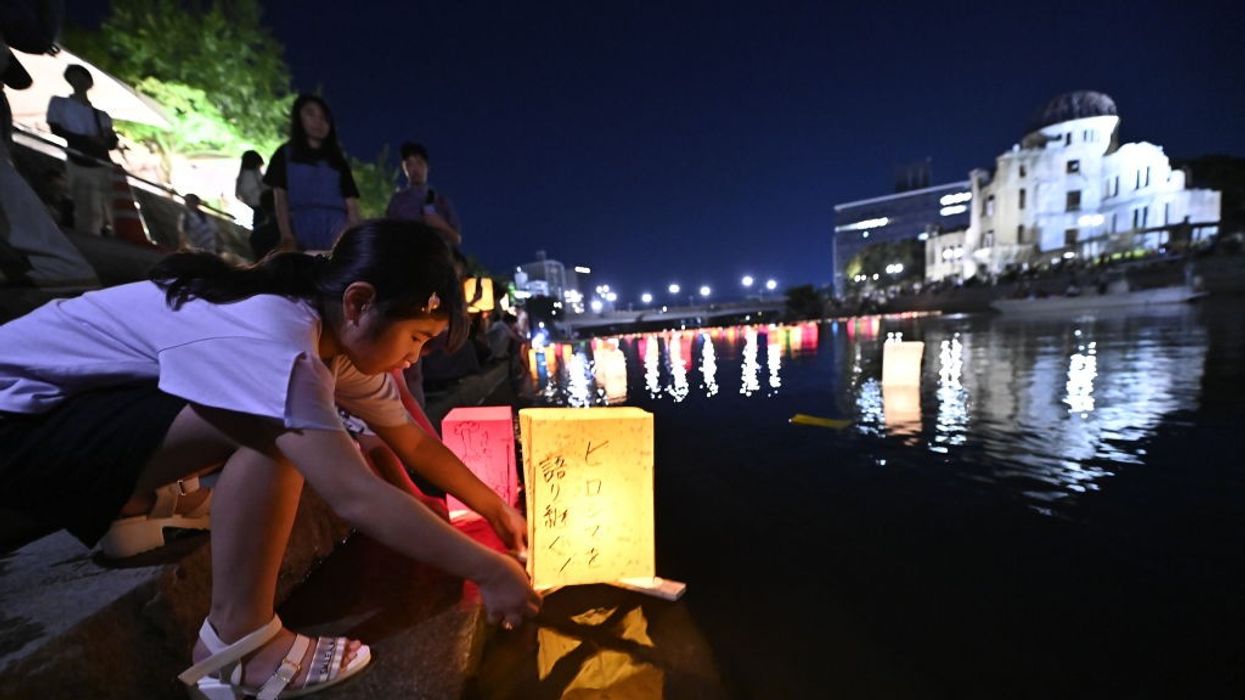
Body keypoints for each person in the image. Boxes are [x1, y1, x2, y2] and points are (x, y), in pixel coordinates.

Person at [0, 220, 540, 697]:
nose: (414, 358)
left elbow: (415, 442)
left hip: (65, 411)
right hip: (18, 429)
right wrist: (486, 568)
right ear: (359, 303)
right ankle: (239, 645)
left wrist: (495, 511)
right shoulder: (276, 339)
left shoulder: (328, 326)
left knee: (283, 417)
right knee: (274, 427)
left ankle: (141, 502)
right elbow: (354, 495)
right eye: (418, 338)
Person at [264, 94, 360, 252]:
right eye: (310, 114)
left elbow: (352, 206)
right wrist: (287, 236)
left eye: (323, 117)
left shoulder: (338, 161)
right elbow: (280, 199)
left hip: (337, 230)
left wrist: (354, 240)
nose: (318, 122)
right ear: (298, 118)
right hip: (301, 228)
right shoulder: (285, 154)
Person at [46, 64, 118, 236]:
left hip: (102, 163)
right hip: (78, 160)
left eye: (82, 77)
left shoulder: (102, 115)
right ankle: (89, 240)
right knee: (86, 208)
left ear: (89, 82)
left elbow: (111, 142)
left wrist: (108, 138)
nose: (78, 80)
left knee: (110, 210)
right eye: (73, 77)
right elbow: (56, 129)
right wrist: (85, 139)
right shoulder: (60, 103)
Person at [385, 142, 462, 248]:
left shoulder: (441, 201)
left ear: (427, 168)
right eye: (409, 164)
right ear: (404, 169)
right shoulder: (397, 200)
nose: (415, 169)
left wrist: (439, 224)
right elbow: (387, 233)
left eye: (419, 163)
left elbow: (456, 239)